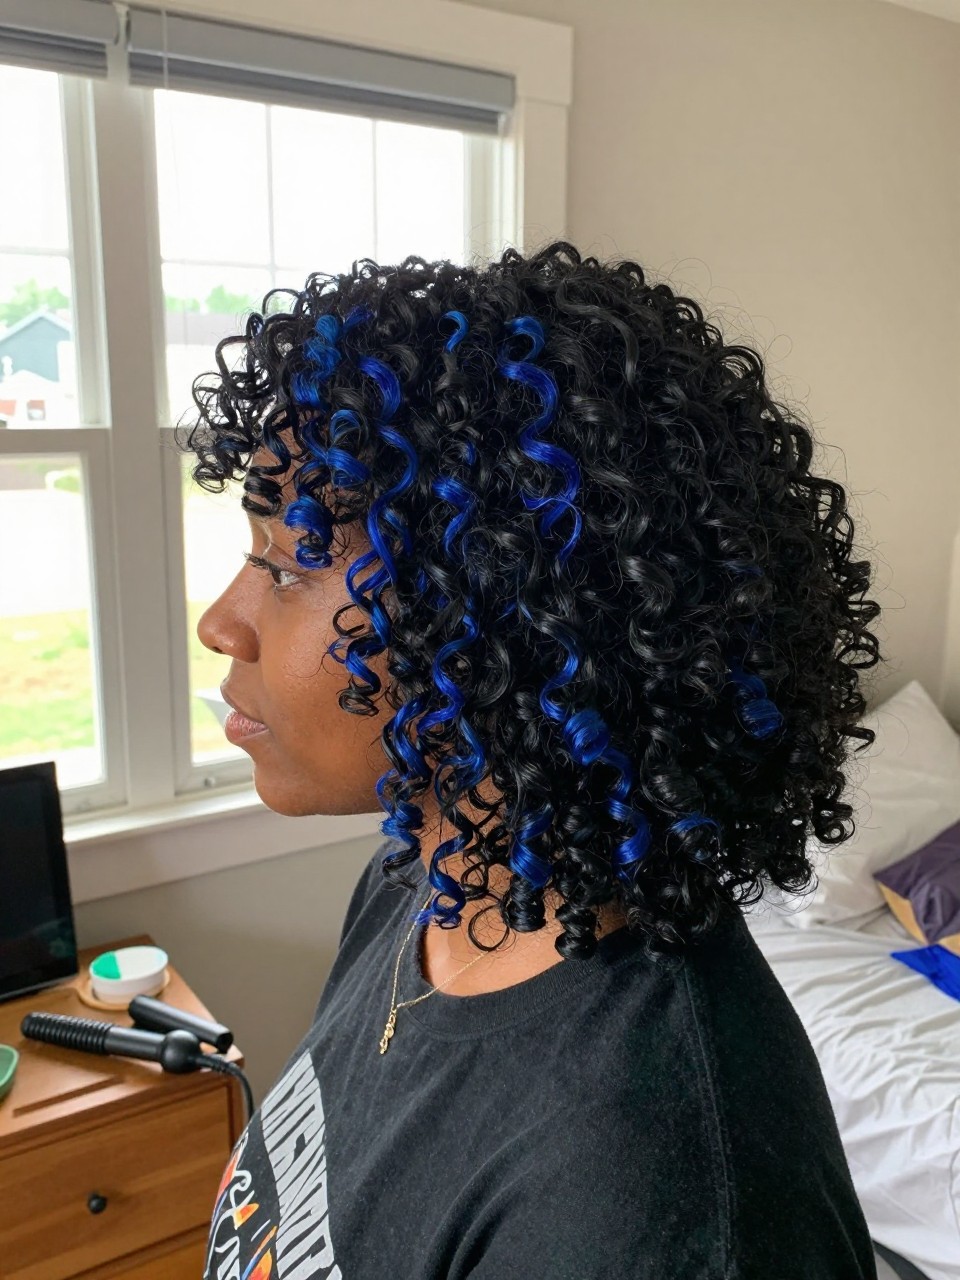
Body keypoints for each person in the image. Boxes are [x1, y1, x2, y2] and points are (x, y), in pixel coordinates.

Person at [186, 242, 882, 1279]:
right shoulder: (419, 884)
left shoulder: (648, 1198)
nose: (220, 624)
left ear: (502, 609)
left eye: (289, 563)